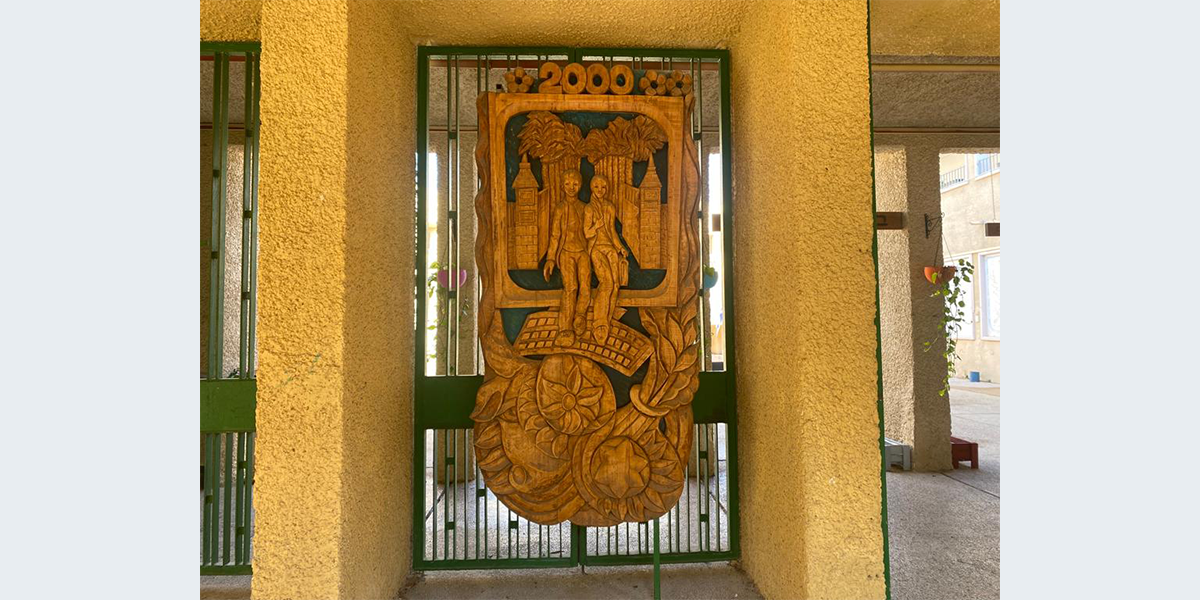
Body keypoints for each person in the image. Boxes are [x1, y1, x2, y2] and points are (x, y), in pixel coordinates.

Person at [543, 170, 591, 346]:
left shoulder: (585, 208)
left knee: (585, 287)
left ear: (580, 186)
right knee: (571, 288)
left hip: (583, 252)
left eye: (575, 184)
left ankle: (580, 316)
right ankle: (565, 329)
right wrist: (550, 259)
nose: (571, 187)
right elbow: (555, 235)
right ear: (563, 186)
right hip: (566, 253)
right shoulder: (560, 209)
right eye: (568, 184)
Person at [583, 174, 627, 343]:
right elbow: (587, 233)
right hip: (596, 249)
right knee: (606, 282)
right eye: (596, 187)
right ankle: (598, 323)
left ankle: (606, 321)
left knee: (615, 285)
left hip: (610, 248)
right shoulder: (589, 209)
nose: (600, 190)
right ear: (591, 188)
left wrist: (620, 247)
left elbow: (612, 231)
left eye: (603, 187)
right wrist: (596, 226)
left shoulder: (609, 207)